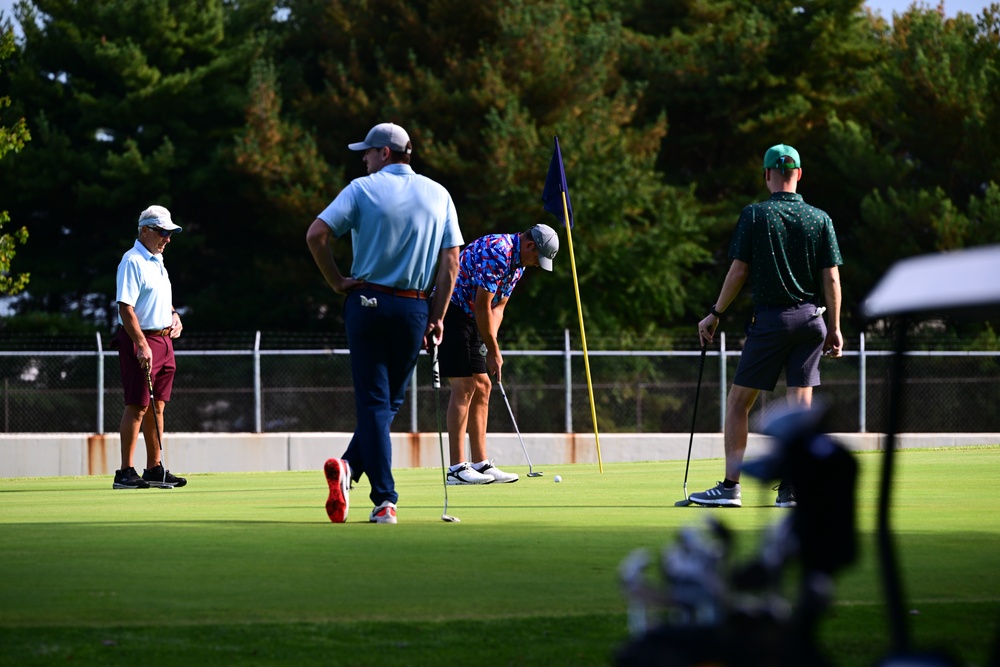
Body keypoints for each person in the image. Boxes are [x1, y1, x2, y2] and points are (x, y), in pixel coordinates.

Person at [306, 122, 463, 524]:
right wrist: (439, 315)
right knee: (388, 403)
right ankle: (349, 471)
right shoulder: (440, 194)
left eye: (369, 152)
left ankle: (383, 499)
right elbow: (451, 262)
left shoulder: (362, 188)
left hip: (368, 301)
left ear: (386, 153)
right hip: (414, 308)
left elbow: (316, 235)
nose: (364, 158)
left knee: (378, 404)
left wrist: (337, 281)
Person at [690, 143, 843, 509]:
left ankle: (730, 488)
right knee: (800, 406)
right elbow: (832, 280)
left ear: (767, 175)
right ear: (799, 175)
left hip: (772, 322)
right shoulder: (820, 218)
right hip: (811, 320)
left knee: (739, 403)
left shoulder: (755, 215)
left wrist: (715, 312)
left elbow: (738, 271)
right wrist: (835, 327)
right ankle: (792, 489)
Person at [439, 224, 559, 485]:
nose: (537, 265)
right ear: (530, 246)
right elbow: (483, 303)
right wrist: (493, 350)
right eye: (538, 258)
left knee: (483, 385)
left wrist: (487, 342)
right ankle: (457, 468)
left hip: (471, 317)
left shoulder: (518, 264)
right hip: (450, 310)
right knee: (464, 386)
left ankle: (481, 464)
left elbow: (498, 306)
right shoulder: (499, 252)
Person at [113, 205, 187, 490]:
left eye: (169, 234)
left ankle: (154, 468)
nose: (167, 238)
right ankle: (125, 472)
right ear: (144, 230)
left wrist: (175, 315)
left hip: (164, 340)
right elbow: (126, 308)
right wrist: (141, 344)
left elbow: (159, 299)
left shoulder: (157, 260)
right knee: (137, 405)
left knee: (158, 406)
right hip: (140, 339)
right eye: (161, 232)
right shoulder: (132, 260)